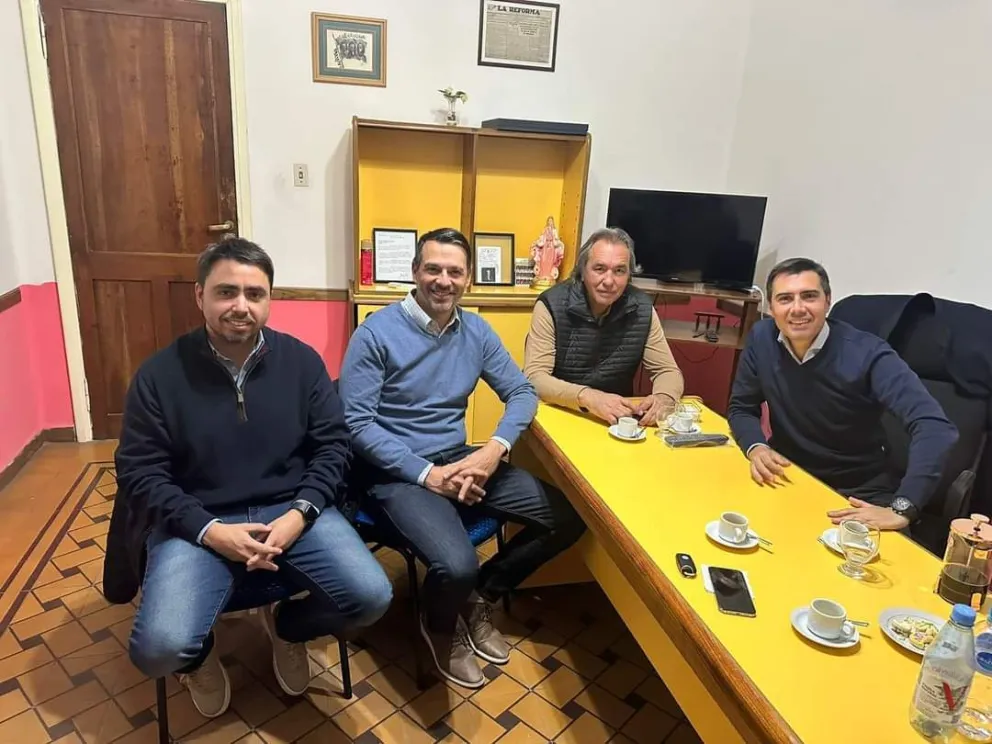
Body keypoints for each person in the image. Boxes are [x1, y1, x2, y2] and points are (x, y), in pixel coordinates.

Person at [113, 238, 392, 719]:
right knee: (158, 649)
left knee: (372, 598)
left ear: (269, 299)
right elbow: (138, 471)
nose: (241, 306)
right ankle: (198, 659)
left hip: (291, 510)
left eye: (254, 294)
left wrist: (300, 514)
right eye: (226, 292)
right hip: (197, 520)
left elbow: (333, 446)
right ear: (199, 296)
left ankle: (289, 629)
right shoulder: (159, 375)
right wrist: (209, 531)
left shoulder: (302, 363)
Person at [339, 227, 586, 689]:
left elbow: (520, 392)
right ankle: (440, 628)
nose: (443, 280)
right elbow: (356, 424)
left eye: (455, 271)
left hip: (464, 457)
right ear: (414, 273)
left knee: (568, 519)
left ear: (468, 278)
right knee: (456, 563)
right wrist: (427, 474)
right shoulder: (375, 334)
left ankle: (479, 595)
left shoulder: (475, 330)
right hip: (398, 471)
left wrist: (494, 451)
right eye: (433, 269)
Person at [727, 257, 958, 532]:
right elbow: (742, 407)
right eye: (785, 298)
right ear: (772, 307)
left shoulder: (869, 354)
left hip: (859, 493)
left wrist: (904, 507)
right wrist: (756, 446)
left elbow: (934, 426)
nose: (797, 308)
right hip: (788, 476)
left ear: (827, 301)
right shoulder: (761, 338)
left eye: (809, 296)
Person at [524, 227, 684, 426]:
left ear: (629, 275)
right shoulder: (551, 305)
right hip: (559, 412)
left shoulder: (642, 308)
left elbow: (667, 371)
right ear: (582, 271)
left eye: (619, 271)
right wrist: (587, 397)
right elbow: (536, 378)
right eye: (599, 269)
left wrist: (664, 398)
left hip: (617, 421)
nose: (609, 281)